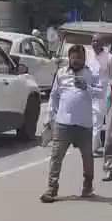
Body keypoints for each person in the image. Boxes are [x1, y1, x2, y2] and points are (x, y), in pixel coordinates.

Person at [40, 45, 100, 203]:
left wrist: (86, 87)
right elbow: (54, 95)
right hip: (63, 124)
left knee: (88, 157)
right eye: (73, 58)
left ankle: (87, 186)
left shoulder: (91, 73)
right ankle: (51, 189)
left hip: (84, 124)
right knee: (56, 156)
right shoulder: (61, 73)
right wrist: (49, 117)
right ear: (69, 58)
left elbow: (101, 93)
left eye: (79, 58)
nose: (76, 61)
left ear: (84, 58)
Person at [89, 37, 112, 155]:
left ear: (102, 43)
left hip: (104, 93)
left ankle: (95, 147)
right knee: (93, 121)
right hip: (90, 92)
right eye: (93, 41)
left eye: (97, 41)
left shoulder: (110, 58)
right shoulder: (89, 56)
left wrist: (111, 92)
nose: (95, 43)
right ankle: (94, 145)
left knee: (99, 121)